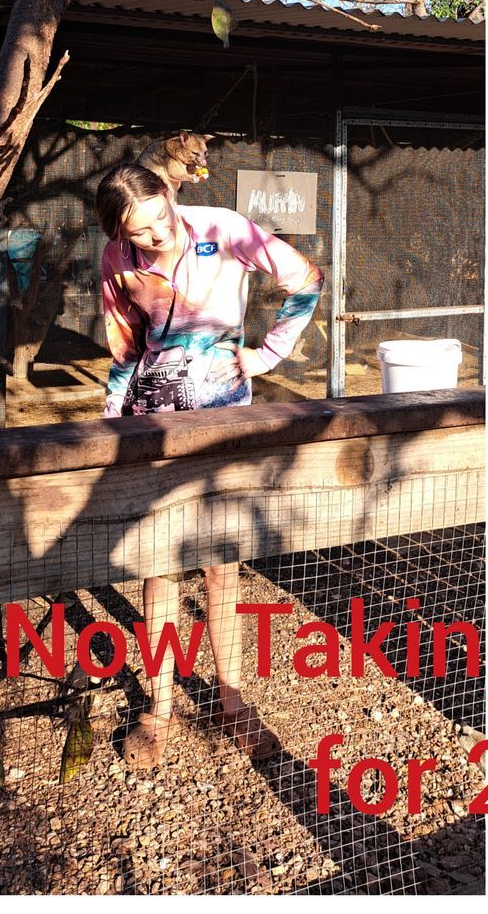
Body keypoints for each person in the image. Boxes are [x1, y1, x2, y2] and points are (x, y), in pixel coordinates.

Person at [95, 162, 326, 771]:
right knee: (159, 562)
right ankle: (161, 707)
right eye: (139, 233)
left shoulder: (224, 229)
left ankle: (231, 699)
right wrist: (114, 429)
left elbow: (306, 281)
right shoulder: (116, 259)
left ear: (171, 197)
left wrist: (267, 354)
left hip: (223, 416)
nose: (155, 237)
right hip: (152, 419)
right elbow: (123, 348)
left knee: (222, 564)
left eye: (160, 220)